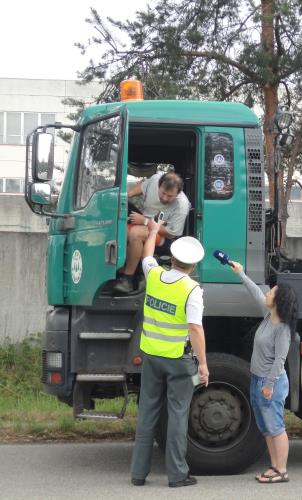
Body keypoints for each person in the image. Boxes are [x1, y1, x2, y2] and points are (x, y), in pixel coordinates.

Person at [129, 218, 209, 488]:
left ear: (172, 257)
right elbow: (195, 329)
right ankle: (177, 475)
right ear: (193, 265)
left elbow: (148, 254)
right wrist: (203, 365)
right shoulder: (192, 290)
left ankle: (138, 474)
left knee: (148, 413)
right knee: (177, 415)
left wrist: (152, 231)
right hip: (178, 360)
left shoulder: (153, 275)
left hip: (151, 356)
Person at [229, 260, 297, 484]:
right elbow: (256, 292)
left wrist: (268, 385)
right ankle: (274, 466)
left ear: (279, 302)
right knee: (266, 427)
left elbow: (280, 360)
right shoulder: (269, 316)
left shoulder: (283, 329)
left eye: (273, 292)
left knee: (276, 426)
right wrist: (241, 273)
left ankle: (282, 470)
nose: (268, 293)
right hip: (258, 380)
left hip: (271, 383)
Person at [113, 171, 191, 294]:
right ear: (159, 185)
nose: (165, 198)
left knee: (135, 233)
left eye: (170, 196)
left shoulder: (182, 205)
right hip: (145, 223)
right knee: (119, 225)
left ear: (178, 193)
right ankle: (118, 271)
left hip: (166, 238)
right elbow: (143, 185)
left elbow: (171, 233)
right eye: (163, 193)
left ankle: (127, 279)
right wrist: (126, 195)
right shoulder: (154, 180)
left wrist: (144, 221)